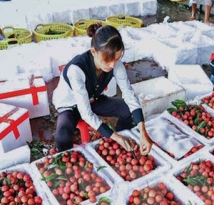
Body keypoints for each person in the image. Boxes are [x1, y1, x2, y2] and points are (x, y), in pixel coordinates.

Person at [53, 23, 153, 154]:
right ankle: (68, 164)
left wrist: (143, 132)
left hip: (93, 99)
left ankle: (121, 144)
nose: (112, 65)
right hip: (70, 106)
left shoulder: (115, 64)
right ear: (94, 51)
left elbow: (129, 95)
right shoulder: (77, 70)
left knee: (128, 109)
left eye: (117, 59)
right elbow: (85, 112)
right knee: (62, 135)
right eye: (107, 60)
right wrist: (116, 137)